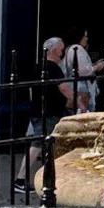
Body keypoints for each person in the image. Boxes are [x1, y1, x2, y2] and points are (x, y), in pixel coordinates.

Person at [13, 37, 74, 193]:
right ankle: (20, 180)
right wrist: (73, 100)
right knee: (38, 144)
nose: (62, 54)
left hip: (38, 109)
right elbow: (65, 89)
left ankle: (52, 176)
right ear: (54, 50)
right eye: (61, 50)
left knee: (50, 143)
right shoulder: (53, 67)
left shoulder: (39, 66)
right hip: (49, 112)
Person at [63, 30, 104, 114]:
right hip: (81, 91)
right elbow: (82, 71)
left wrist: (94, 64)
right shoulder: (77, 49)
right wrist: (97, 67)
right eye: (85, 36)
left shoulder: (69, 49)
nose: (87, 38)